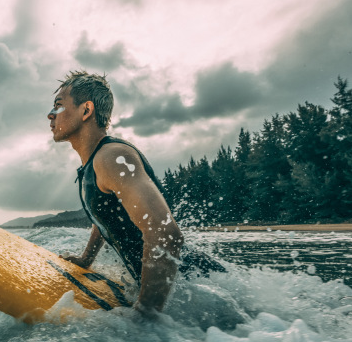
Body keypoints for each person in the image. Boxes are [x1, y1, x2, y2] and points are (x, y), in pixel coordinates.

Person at [48, 70, 223, 317]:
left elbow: (166, 234)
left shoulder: (112, 158)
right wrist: (87, 258)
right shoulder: (93, 163)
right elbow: (106, 214)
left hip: (203, 292)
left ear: (86, 111)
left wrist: (147, 312)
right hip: (183, 293)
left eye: (59, 106)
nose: (50, 115)